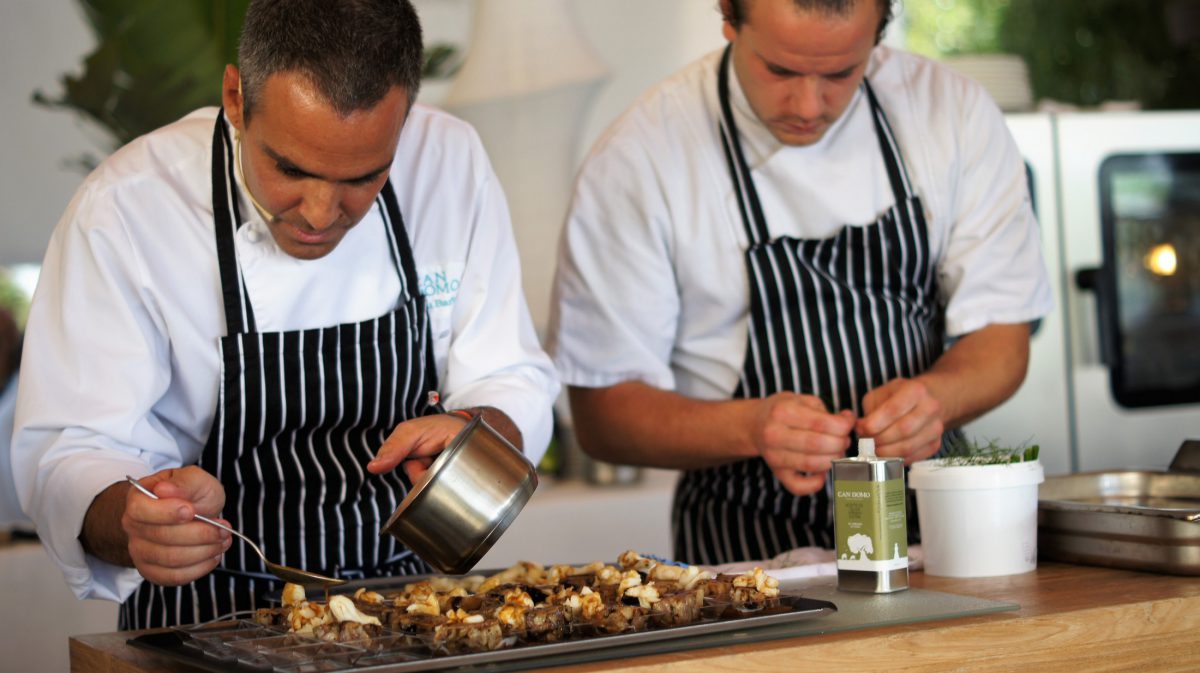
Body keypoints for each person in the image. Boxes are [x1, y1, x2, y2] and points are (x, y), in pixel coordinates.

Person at [12, 0, 558, 629]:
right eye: (290, 169)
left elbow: (510, 373)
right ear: (235, 99)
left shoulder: (450, 161)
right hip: (204, 623)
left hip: (414, 617)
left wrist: (473, 430)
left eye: (363, 177)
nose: (320, 214)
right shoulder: (129, 208)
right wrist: (138, 519)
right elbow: (71, 450)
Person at [548, 0, 1052, 565]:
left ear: (878, 34)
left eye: (841, 73)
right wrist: (752, 428)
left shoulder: (950, 114)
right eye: (780, 70)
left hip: (934, 538)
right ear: (728, 16)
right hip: (746, 553)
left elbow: (1002, 338)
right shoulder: (640, 158)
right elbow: (603, 416)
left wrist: (937, 400)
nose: (809, 106)